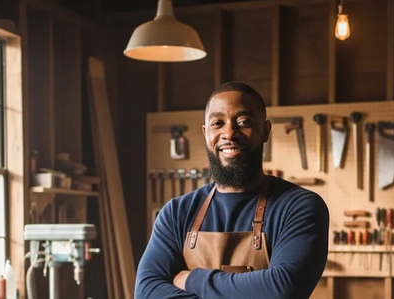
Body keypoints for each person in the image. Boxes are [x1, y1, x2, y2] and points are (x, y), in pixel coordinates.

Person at [134, 81, 330, 299]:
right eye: (218, 123)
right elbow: (146, 291)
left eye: (243, 122)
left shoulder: (299, 207)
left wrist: (190, 279)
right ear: (205, 133)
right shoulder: (176, 213)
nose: (229, 133)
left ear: (265, 131)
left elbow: (282, 289)